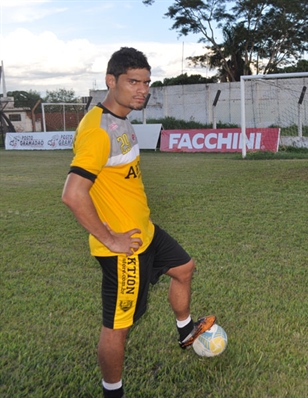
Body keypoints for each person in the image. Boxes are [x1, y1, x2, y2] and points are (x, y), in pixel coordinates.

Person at [62, 47, 215, 398]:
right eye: (133, 81)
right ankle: (112, 392)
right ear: (110, 81)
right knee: (118, 327)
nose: (142, 89)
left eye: (146, 82)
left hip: (145, 232)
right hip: (123, 247)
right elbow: (73, 194)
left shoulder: (121, 119)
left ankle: (185, 331)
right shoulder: (98, 130)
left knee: (184, 268)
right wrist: (111, 238)